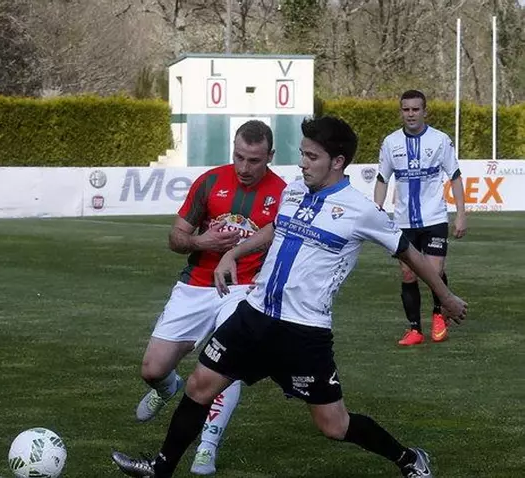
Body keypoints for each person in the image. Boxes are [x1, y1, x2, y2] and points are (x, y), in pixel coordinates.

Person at [111, 116, 467, 478]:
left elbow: (409, 253)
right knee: (199, 385)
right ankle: (160, 468)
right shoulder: (294, 191)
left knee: (334, 425)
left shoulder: (361, 210)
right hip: (253, 315)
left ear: (337, 161)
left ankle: (409, 459)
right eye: (302, 154)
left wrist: (446, 297)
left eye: (312, 156)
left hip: (303, 332)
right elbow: (275, 227)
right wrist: (234, 252)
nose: (302, 163)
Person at [134, 120, 286, 475]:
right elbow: (175, 238)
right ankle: (168, 387)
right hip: (197, 284)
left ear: (270, 156)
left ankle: (207, 446)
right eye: (239, 157)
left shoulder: (282, 193)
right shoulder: (210, 182)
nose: (244, 167)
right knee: (152, 369)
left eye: (254, 160)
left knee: (223, 363)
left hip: (245, 289)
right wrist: (200, 241)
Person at [375, 90, 467, 346]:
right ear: (401, 112)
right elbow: (382, 179)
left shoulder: (440, 140)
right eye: (406, 109)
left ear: (425, 111)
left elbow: (455, 176)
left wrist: (461, 214)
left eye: (416, 109)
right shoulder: (391, 142)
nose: (411, 114)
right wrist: (376, 210)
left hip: (434, 218)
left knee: (434, 272)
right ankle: (414, 329)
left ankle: (439, 315)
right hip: (403, 221)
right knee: (408, 274)